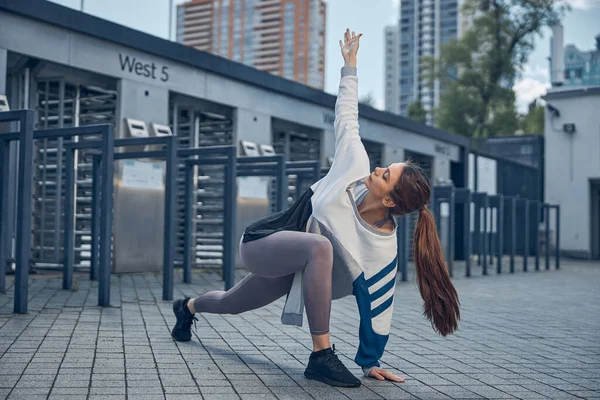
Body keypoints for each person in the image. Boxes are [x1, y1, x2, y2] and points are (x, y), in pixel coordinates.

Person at [171, 28, 460, 388]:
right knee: (320, 246)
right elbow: (347, 118)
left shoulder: (383, 249)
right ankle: (321, 356)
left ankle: (187, 308)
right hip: (266, 241)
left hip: (296, 270)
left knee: (232, 302)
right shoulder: (354, 165)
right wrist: (349, 67)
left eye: (385, 174)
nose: (377, 169)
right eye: (384, 166)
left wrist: (371, 362)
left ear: (389, 200)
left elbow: (379, 308)